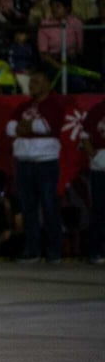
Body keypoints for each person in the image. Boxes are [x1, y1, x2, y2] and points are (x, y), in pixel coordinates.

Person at [5, 69, 64, 264]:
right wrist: (31, 126)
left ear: (48, 84)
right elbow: (10, 129)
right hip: (24, 161)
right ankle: (32, 250)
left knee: (49, 206)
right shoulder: (24, 105)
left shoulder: (54, 104)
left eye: (37, 81)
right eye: (31, 82)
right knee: (28, 208)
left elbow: (47, 126)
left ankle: (54, 251)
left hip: (46, 162)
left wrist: (25, 126)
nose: (32, 85)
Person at [79, 98, 105, 264]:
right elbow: (84, 135)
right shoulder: (97, 109)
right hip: (101, 167)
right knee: (100, 210)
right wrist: (94, 155)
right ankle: (97, 251)